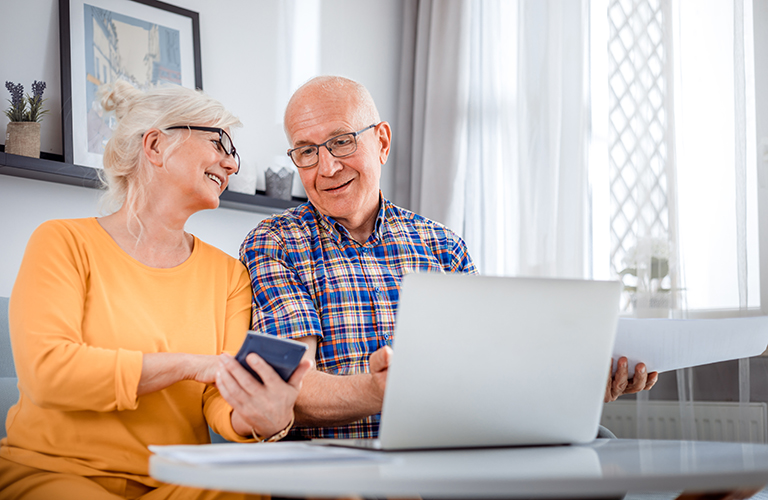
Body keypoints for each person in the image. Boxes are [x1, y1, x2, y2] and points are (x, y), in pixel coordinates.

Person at [239, 75, 657, 441]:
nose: (326, 167)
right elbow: (292, 388)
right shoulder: (274, 243)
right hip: (343, 468)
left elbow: (489, 370)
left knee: (601, 446)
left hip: (452, 452)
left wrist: (575, 384)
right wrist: (386, 389)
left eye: (341, 142)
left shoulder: (442, 245)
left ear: (381, 141)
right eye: (306, 151)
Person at [0, 81, 311, 500]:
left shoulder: (229, 276)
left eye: (232, 153)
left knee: (247, 489)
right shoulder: (62, 242)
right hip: (54, 473)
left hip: (176, 482)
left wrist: (257, 415)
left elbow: (220, 401)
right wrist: (187, 364)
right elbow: (49, 375)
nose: (231, 165)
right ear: (155, 145)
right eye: (220, 143)